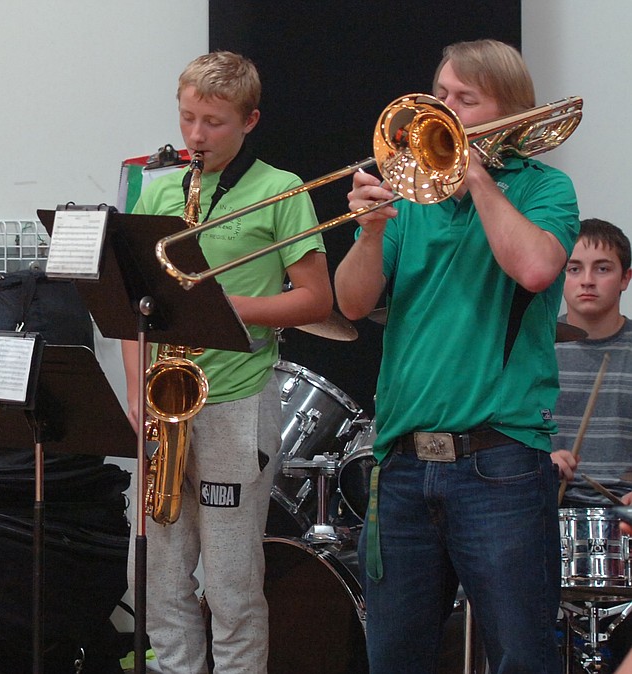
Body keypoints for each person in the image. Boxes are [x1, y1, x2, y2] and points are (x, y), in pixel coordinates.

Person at [334, 40, 579, 673]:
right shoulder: (411, 200)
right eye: (440, 93)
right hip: (403, 464)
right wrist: (372, 231)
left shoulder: (546, 189)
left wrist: (474, 174)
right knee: (394, 658)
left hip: (499, 461)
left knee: (523, 657)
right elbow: (352, 303)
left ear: (511, 115)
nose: (440, 109)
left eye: (464, 100)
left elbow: (533, 267)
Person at [121, 51, 332, 673]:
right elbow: (132, 303)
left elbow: (317, 300)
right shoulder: (160, 190)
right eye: (187, 117)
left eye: (213, 121)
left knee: (233, 584)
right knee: (159, 580)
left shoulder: (280, 190)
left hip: (237, 400)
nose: (195, 135)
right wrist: (138, 393)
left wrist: (217, 304)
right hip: (166, 402)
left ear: (250, 121)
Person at [550, 219, 632, 505]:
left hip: (622, 512)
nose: (587, 280)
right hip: (546, 507)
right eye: (574, 269)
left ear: (625, 278)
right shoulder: (533, 350)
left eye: (602, 268)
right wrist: (542, 461)